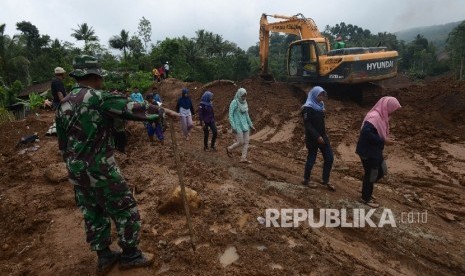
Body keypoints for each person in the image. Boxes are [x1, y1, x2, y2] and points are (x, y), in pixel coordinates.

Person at [55, 55, 179, 274]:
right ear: (94, 76)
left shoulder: (63, 104)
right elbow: (132, 108)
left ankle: (104, 256)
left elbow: (63, 144)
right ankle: (130, 254)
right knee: (125, 209)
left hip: (76, 170)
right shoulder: (99, 98)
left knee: (92, 213)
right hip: (100, 168)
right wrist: (163, 112)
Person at [356, 96, 401, 208]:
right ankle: (365, 198)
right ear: (387, 107)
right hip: (368, 152)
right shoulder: (374, 117)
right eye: (393, 109)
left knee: (382, 171)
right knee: (371, 174)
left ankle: (366, 188)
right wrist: (383, 140)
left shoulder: (382, 116)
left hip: (375, 150)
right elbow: (366, 133)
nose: (394, 112)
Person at [301, 86, 335, 191]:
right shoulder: (308, 107)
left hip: (323, 136)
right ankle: (306, 179)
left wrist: (322, 135)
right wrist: (317, 136)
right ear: (314, 95)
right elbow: (308, 124)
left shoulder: (320, 106)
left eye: (322, 95)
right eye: (320, 95)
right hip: (313, 138)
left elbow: (320, 121)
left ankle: (325, 179)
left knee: (329, 158)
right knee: (311, 158)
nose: (322, 97)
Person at [226, 88, 255, 163]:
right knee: (240, 142)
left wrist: (251, 125)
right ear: (239, 95)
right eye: (242, 96)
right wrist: (233, 125)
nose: (243, 98)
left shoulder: (245, 102)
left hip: (245, 125)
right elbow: (230, 115)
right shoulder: (234, 102)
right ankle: (229, 148)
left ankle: (243, 158)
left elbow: (247, 115)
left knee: (246, 142)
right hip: (237, 125)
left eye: (245, 96)